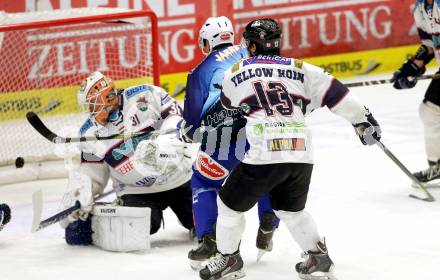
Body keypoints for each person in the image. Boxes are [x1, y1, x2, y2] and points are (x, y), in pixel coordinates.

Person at [199, 19, 382, 280]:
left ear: (251, 46)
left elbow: (229, 104)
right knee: (290, 211)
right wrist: (363, 120)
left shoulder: (237, 71)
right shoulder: (303, 68)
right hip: (301, 154)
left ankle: (229, 260)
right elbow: (338, 94)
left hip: (265, 153)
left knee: (228, 205)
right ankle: (318, 257)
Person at [180, 16, 279, 269]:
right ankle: (268, 221)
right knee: (265, 172)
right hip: (264, 129)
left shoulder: (199, 72)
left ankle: (209, 240)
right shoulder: (252, 49)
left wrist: (186, 131)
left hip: (225, 139)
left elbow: (193, 125)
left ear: (207, 41)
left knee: (203, 181)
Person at [60, 71, 195, 252]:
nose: (90, 111)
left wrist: (168, 141)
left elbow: (176, 119)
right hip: (135, 191)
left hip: (178, 178)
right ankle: (94, 224)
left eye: (93, 105)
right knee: (139, 227)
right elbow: (92, 174)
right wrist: (79, 195)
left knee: (204, 223)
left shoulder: (146, 95)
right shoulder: (90, 134)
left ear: (108, 97)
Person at [390, 0, 440, 183]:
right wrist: (410, 68)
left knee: (431, 110)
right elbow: (429, 45)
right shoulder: (420, 9)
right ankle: (436, 166)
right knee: (430, 111)